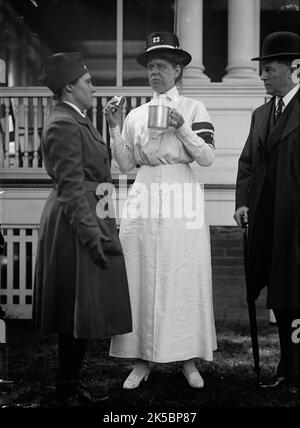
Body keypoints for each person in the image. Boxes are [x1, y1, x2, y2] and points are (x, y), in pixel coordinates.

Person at [105, 32, 217, 390]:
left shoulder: (193, 109)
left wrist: (181, 127)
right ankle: (140, 359)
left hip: (180, 192)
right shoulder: (137, 114)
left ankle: (187, 359)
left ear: (178, 69)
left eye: (162, 66)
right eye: (151, 66)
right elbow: (124, 164)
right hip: (144, 191)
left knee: (181, 274)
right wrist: (114, 125)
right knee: (140, 272)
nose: (155, 72)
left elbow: (208, 158)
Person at [32, 52, 132, 406]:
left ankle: (71, 385)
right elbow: (71, 187)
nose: (94, 87)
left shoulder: (76, 118)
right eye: (88, 82)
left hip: (90, 214)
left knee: (82, 307)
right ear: (69, 87)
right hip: (76, 222)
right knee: (76, 306)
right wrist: (93, 237)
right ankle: (67, 388)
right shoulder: (62, 123)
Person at [234, 32, 300, 390]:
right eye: (261, 70)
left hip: (296, 223)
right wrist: (242, 202)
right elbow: (247, 163)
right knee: (282, 297)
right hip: (270, 223)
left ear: (294, 68)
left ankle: (295, 370)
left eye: (269, 69)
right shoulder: (260, 114)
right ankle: (287, 368)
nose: (262, 76)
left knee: (297, 295)